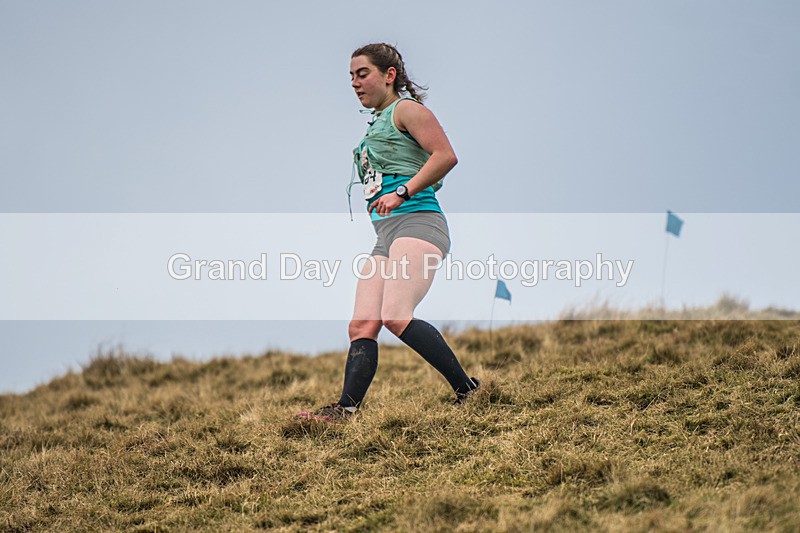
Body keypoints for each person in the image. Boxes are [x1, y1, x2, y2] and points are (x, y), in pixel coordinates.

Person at [297, 43, 479, 422]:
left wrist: (401, 191)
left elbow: (446, 156)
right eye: (350, 76)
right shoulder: (378, 120)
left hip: (419, 222)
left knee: (396, 315)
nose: (354, 83)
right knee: (362, 323)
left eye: (362, 73)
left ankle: (469, 391)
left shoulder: (407, 109)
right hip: (387, 235)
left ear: (389, 75)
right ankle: (345, 411)